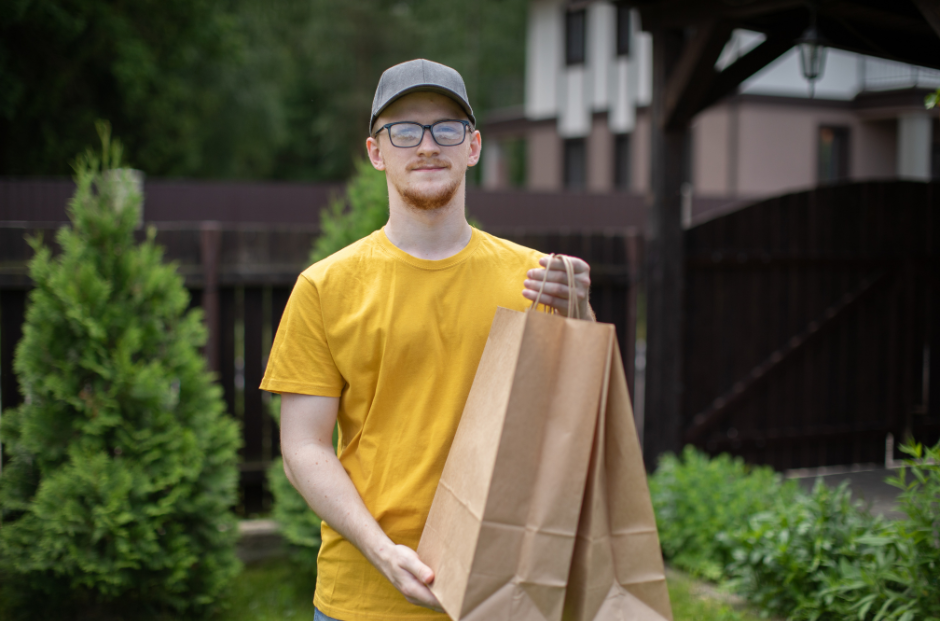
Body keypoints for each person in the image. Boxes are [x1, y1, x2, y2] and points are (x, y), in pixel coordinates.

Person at [261, 59, 592, 621]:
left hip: (504, 592)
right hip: (364, 598)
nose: (427, 145)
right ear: (376, 152)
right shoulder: (325, 287)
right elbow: (304, 449)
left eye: (446, 128)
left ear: (474, 146)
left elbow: (575, 422)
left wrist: (580, 317)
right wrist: (383, 553)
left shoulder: (537, 279)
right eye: (405, 130)